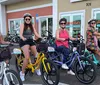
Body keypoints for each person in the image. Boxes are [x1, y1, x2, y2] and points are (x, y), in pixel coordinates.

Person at [19, 13, 41, 81]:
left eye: (29, 19)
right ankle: (22, 73)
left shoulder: (32, 25)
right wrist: (23, 38)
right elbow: (20, 34)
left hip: (30, 40)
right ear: (24, 19)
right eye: (26, 19)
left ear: (31, 19)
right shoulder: (22, 25)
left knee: (37, 55)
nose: (28, 20)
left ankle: (37, 68)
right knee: (27, 57)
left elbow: (35, 33)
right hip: (24, 41)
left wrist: (41, 37)